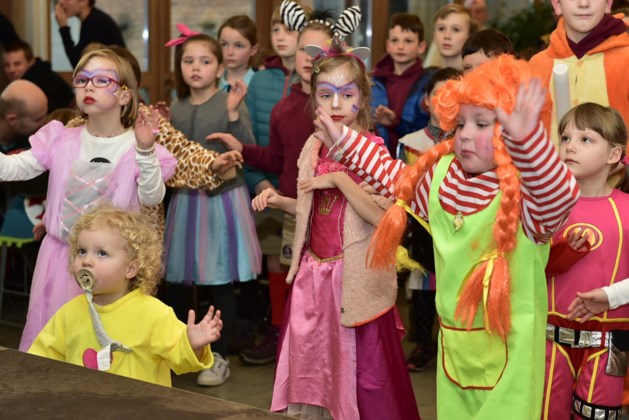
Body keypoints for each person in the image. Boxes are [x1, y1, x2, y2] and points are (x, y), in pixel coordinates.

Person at [313, 54, 580, 418]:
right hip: (455, 352)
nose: (466, 133)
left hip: (512, 365)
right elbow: (391, 174)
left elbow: (561, 193)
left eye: (483, 123)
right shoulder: (441, 179)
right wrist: (344, 139)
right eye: (461, 123)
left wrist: (529, 141)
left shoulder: (528, 200)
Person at [252, 31, 420, 419]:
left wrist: (341, 179)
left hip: (353, 278)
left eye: (346, 94)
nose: (336, 103)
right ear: (314, 99)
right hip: (314, 277)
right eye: (326, 94)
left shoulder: (371, 151)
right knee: (316, 368)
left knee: (362, 373)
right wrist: (282, 201)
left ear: (362, 98)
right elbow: (317, 209)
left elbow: (383, 219)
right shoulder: (313, 146)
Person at [0, 48, 177, 352]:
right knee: (55, 340)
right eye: (82, 80)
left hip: (112, 266)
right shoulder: (60, 139)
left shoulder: (137, 145)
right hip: (59, 260)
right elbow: (15, 167)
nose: (89, 86)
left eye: (101, 80)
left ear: (124, 96)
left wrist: (146, 152)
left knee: (103, 346)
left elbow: (152, 197)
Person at [209, 4, 334, 367]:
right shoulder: (284, 108)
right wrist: (243, 148)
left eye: (319, 51)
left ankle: (327, 345)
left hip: (334, 213)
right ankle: (288, 338)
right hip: (294, 212)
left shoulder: (342, 106)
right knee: (291, 277)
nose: (309, 58)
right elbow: (276, 161)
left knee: (328, 285)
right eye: (303, 50)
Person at [28, 205, 223, 387]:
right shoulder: (69, 312)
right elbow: (41, 357)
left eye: (102, 253)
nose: (86, 260)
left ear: (130, 268)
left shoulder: (153, 314)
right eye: (81, 251)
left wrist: (192, 345)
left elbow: (181, 361)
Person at [163, 32, 261, 387]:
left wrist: (234, 113)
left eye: (205, 61)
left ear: (220, 68)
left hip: (221, 202)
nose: (196, 68)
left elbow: (248, 148)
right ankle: (177, 348)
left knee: (219, 280)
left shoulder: (228, 102)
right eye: (189, 61)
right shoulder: (175, 107)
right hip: (186, 202)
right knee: (177, 280)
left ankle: (218, 355)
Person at [542, 103, 629, 419]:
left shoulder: (628, 210)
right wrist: (561, 255)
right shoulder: (547, 209)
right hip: (550, 336)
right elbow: (523, 268)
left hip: (610, 341)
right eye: (565, 138)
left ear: (614, 155)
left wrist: (609, 296)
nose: (570, 146)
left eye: (585, 139)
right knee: (545, 411)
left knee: (598, 414)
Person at [235, 0, 301, 358]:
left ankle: (298, 331)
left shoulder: (315, 82)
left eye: (288, 29)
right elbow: (250, 138)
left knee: (300, 264)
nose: (280, 36)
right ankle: (277, 329)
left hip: (301, 189)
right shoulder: (260, 80)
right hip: (267, 186)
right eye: (275, 29)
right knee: (275, 260)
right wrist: (259, 182)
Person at [396, 67, 462, 372]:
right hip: (421, 226)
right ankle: (423, 344)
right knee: (423, 285)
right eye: (438, 93)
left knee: (456, 288)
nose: (444, 99)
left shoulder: (468, 140)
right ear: (426, 100)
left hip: (458, 226)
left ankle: (455, 346)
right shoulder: (409, 142)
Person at [529, 0, 629, 144]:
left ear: (608, 4)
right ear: (557, 5)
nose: (583, 3)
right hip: (551, 165)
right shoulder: (538, 65)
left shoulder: (625, 59)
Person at [371, 13, 432, 157]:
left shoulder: (428, 82)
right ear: (388, 45)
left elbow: (429, 129)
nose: (400, 46)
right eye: (395, 40)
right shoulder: (374, 80)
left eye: (408, 41)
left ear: (421, 46)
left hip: (415, 160)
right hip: (377, 160)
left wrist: (396, 123)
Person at [2, 39, 74, 112]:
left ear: (31, 62)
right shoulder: (42, 74)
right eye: (7, 65)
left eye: (17, 64)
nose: (11, 70)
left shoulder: (40, 82)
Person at [55, 0, 126, 67]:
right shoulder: (92, 19)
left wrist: (63, 27)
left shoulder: (96, 22)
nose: (61, 2)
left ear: (84, 1)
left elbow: (79, 64)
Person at [218, 15, 259, 90]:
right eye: (224, 45)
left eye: (239, 46)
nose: (230, 52)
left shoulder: (259, 83)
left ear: (253, 50)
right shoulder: (212, 82)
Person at [431, 4, 478, 70]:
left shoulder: (478, 78)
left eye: (456, 30)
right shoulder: (425, 78)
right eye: (441, 29)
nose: (447, 36)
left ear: (470, 37)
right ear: (434, 37)